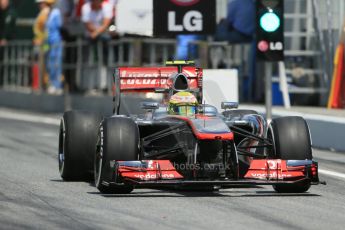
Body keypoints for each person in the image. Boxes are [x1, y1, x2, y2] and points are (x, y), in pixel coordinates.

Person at [35, 0, 63, 94]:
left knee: (56, 63)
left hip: (56, 42)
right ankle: (51, 84)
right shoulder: (48, 14)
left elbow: (59, 26)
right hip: (48, 42)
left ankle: (57, 85)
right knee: (49, 63)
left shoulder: (55, 13)